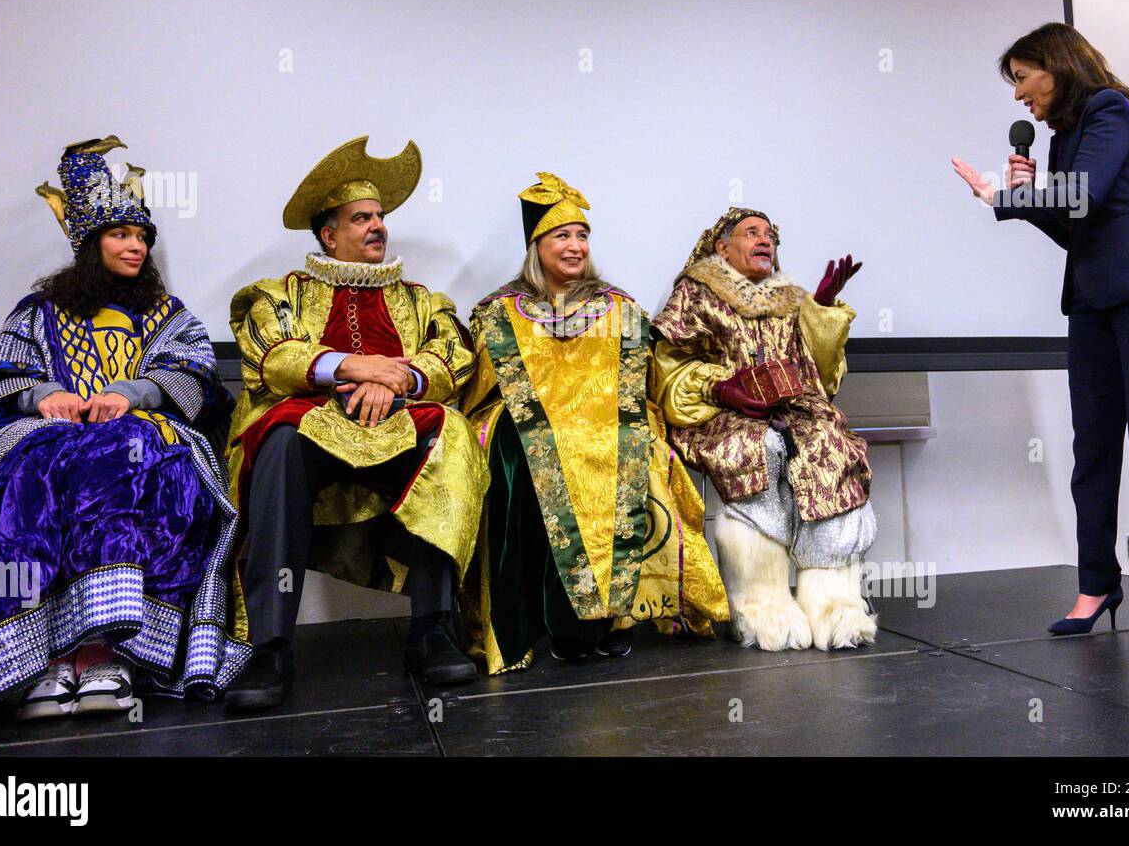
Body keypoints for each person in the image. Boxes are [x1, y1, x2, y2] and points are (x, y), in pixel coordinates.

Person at [0, 136, 246, 724]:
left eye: (141, 236)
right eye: (121, 235)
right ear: (88, 243)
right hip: (46, 432)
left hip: (145, 429)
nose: (136, 246)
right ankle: (47, 658)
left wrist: (130, 393)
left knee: (123, 459)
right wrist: (41, 394)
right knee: (29, 477)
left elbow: (194, 371)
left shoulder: (167, 312)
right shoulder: (39, 311)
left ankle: (109, 654)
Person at [952, 22, 1129, 644]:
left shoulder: (1111, 111)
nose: (1017, 96)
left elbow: (1082, 195)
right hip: (1091, 300)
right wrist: (1023, 197)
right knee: (1092, 448)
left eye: (1023, 77)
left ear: (1057, 66)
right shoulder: (1063, 140)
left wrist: (1010, 196)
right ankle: (1097, 584)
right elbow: (1072, 227)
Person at [223, 137, 488, 710]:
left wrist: (394, 378)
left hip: (398, 419)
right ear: (328, 234)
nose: (378, 227)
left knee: (453, 437)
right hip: (313, 422)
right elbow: (271, 355)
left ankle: (432, 628)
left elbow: (451, 357)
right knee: (279, 441)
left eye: (381, 217)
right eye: (361, 218)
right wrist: (348, 365)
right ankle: (270, 646)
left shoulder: (421, 300)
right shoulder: (281, 294)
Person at [459, 173, 727, 672]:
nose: (575, 245)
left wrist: (596, 417)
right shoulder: (499, 312)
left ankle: (604, 619)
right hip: (532, 424)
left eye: (582, 235)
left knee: (623, 443)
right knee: (528, 449)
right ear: (535, 247)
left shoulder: (620, 308)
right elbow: (483, 393)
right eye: (562, 235)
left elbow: (636, 386)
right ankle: (546, 622)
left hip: (605, 424)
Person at [650, 207, 876, 651]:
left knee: (829, 448)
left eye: (770, 234)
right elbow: (667, 367)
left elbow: (823, 376)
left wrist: (822, 309)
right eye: (751, 233)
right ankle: (761, 604)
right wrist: (721, 388)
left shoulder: (791, 297)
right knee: (762, 448)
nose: (764, 240)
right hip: (721, 413)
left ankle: (834, 606)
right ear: (722, 248)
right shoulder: (696, 292)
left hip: (796, 408)